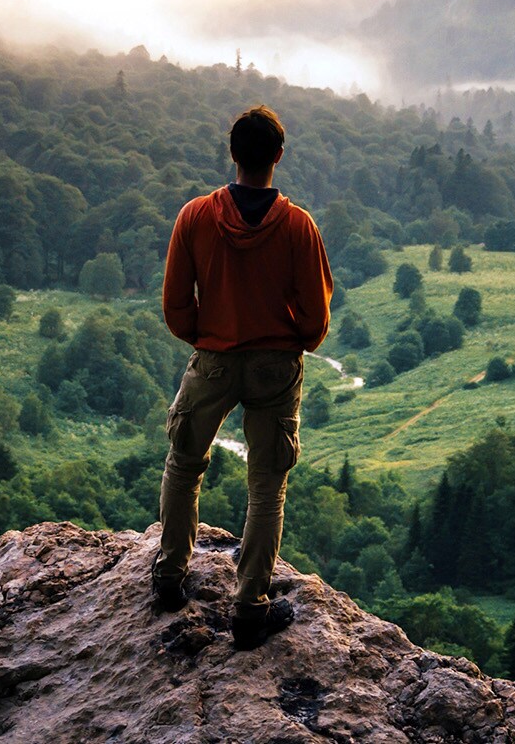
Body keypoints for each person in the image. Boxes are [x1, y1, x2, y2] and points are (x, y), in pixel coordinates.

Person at [150, 105, 332, 650]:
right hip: (275, 363)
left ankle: (168, 577)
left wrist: (208, 338)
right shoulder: (298, 226)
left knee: (184, 464)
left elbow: (176, 303)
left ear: (232, 154)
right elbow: (317, 315)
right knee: (267, 484)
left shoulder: (196, 217)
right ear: (278, 156)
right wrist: (290, 341)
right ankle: (250, 607)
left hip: (213, 359)